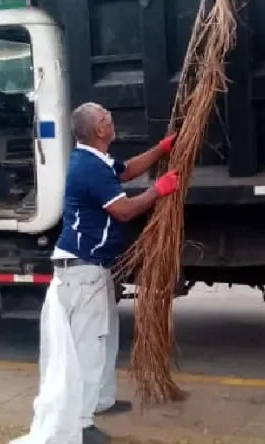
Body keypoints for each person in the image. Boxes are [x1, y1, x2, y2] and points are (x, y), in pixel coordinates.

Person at [13, 102, 180, 444]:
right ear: (98, 131)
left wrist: (161, 149)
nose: (111, 119)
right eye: (106, 117)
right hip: (80, 269)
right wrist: (159, 190)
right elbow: (124, 210)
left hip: (90, 267)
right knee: (88, 346)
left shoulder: (96, 161)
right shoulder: (88, 168)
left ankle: (100, 400)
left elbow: (128, 169)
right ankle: (81, 425)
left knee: (105, 338)